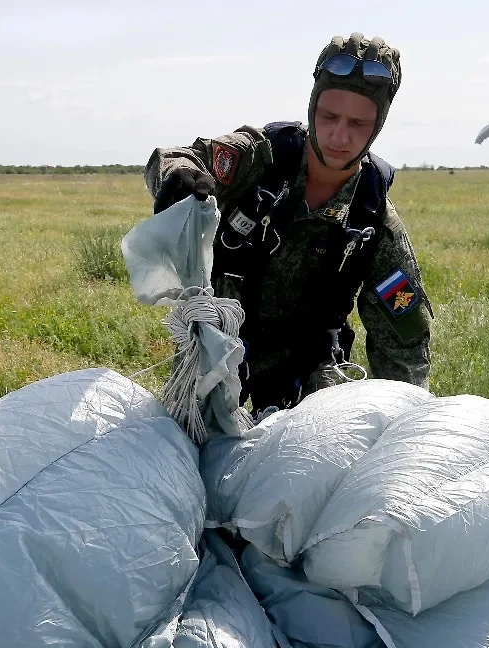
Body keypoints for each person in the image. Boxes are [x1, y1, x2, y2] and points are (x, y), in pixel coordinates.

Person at [144, 33, 433, 416]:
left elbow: (403, 347)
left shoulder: (371, 219)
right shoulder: (261, 158)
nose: (339, 136)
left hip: (310, 373)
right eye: (329, 116)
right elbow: (176, 159)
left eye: (359, 123)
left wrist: (407, 426)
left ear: (378, 126)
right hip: (218, 346)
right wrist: (179, 178)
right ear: (313, 105)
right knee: (186, 441)